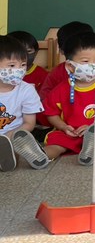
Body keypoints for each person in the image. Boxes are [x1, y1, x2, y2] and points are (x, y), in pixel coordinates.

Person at [41, 31, 95, 165]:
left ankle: (90, 150)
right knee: (56, 145)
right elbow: (51, 113)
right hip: (69, 132)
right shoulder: (61, 89)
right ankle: (40, 156)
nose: (92, 65)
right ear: (70, 66)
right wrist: (63, 127)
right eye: (85, 61)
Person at [0, 35, 49, 171]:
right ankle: (6, 158)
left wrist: (9, 136)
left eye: (23, 65)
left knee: (16, 141)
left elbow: (29, 123)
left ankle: (16, 153)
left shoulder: (27, 90)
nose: (19, 70)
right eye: (11, 65)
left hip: (14, 134)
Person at [39, 21, 95, 103]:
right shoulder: (57, 73)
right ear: (62, 50)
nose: (91, 65)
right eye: (85, 61)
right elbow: (44, 100)